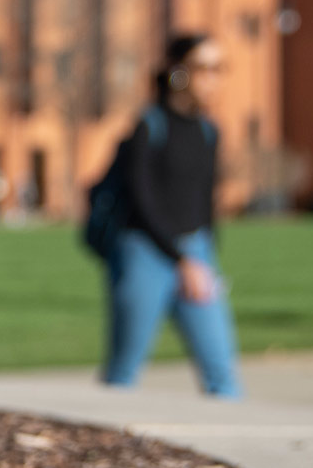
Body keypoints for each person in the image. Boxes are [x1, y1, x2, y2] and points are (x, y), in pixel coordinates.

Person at [100, 33, 242, 396]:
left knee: (222, 373)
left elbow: (205, 204)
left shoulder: (210, 131)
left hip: (196, 252)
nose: (213, 79)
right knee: (123, 373)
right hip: (145, 253)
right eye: (205, 68)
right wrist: (181, 260)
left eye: (219, 69)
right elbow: (142, 201)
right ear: (179, 73)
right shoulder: (150, 126)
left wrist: (205, 258)